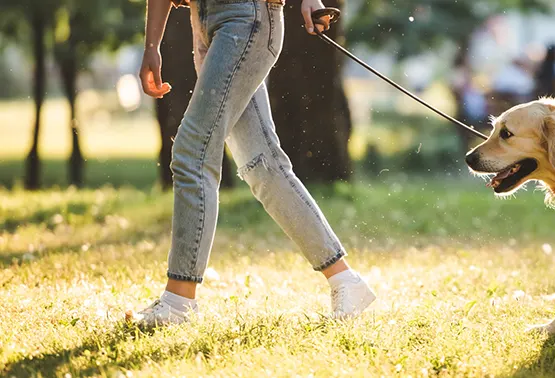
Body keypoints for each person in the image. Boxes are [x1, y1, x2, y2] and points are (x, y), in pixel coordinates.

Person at [129, 0, 375, 327]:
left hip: (247, 18)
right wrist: (152, 45)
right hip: (205, 22)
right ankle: (346, 281)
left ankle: (178, 302)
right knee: (263, 165)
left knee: (193, 151)